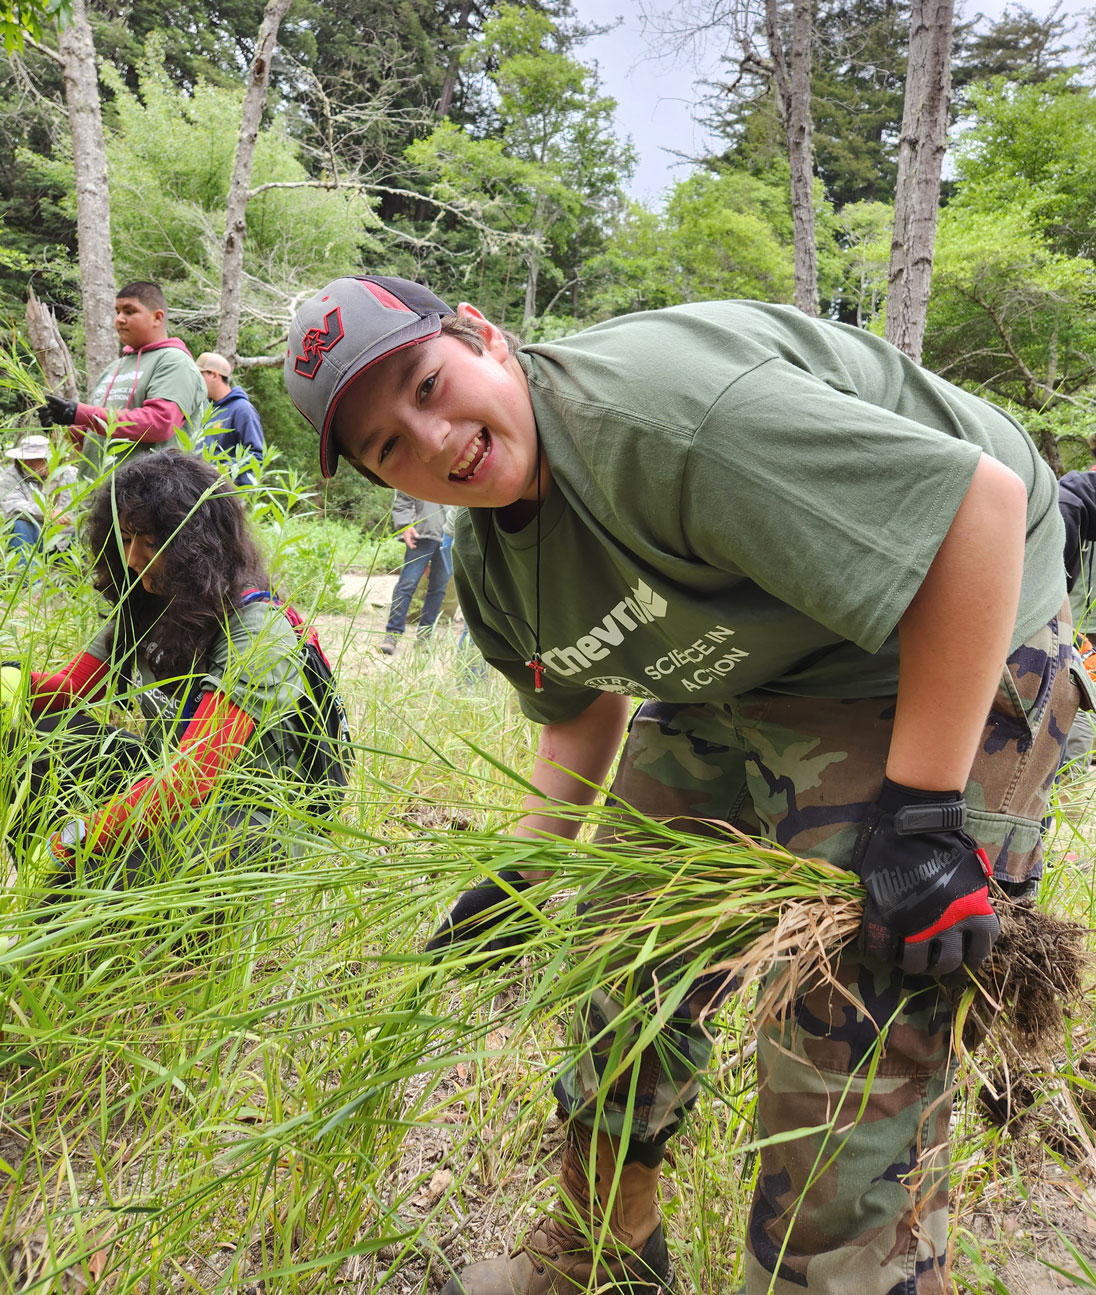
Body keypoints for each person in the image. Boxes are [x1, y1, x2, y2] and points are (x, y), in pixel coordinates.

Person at [284, 275, 1080, 1295]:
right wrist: (529, 868)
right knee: (621, 937)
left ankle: (836, 1277)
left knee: (852, 999)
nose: (434, 441)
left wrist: (923, 815)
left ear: (480, 335)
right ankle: (602, 1248)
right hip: (759, 646)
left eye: (429, 385)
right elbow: (581, 707)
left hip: (949, 613)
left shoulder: (664, 420)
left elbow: (979, 508)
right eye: (389, 445)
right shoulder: (492, 565)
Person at [5, 450, 344, 891]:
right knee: (34, 742)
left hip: (252, 812)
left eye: (149, 542)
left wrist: (82, 836)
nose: (132, 557)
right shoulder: (148, 599)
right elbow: (70, 688)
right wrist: (12, 680)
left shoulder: (256, 627)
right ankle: (42, 889)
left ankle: (76, 899)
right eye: (126, 538)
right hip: (165, 769)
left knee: (120, 875)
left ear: (195, 546)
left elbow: (193, 775)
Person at [36, 281, 208, 479]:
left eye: (129, 311)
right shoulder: (113, 369)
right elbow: (91, 438)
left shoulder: (174, 361)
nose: (119, 319)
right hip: (94, 489)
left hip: (146, 491)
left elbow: (160, 423)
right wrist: (62, 426)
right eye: (117, 312)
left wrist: (80, 413)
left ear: (157, 317)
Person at [378, 491, 454, 654]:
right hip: (420, 534)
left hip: (449, 536)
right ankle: (392, 635)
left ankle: (424, 638)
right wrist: (405, 525)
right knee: (407, 584)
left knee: (439, 588)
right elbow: (403, 498)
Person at [1058, 466, 1096, 771]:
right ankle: (1072, 775)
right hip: (1078, 619)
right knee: (1079, 696)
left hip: (1074, 617)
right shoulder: (1078, 496)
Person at [0, 434, 77, 567]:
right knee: (18, 524)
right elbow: (13, 506)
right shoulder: (9, 477)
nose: (29, 463)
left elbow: (86, 504)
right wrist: (48, 512)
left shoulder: (70, 474)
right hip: (34, 536)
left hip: (67, 536)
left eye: (38, 459)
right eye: (28, 459)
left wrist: (69, 518)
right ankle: (27, 575)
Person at [196, 351, 266, 486]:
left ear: (214, 375)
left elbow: (255, 456)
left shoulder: (242, 409)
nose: (197, 381)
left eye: (200, 375)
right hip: (204, 489)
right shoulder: (208, 409)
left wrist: (224, 470)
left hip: (227, 492)